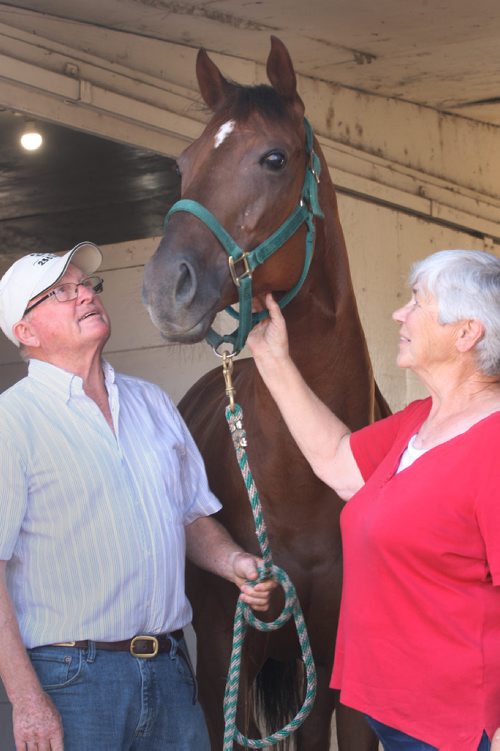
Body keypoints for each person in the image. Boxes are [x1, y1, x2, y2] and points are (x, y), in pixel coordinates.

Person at [0, 242, 276, 751]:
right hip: (70, 681)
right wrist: (26, 699)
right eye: (61, 292)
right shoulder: (11, 423)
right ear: (26, 331)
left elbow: (190, 516)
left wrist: (234, 560)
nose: (84, 294)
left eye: (86, 285)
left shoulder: (151, 402)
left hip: (171, 672)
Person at [247, 248, 500, 751]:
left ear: (466, 333)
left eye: (416, 303)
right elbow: (339, 463)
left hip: (457, 727)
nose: (398, 314)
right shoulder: (418, 421)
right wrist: (272, 359)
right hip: (396, 712)